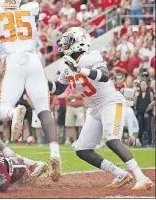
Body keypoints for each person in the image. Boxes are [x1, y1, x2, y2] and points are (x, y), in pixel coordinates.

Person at [0, 0, 61, 182]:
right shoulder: (30, 8)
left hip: (12, 60)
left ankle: (14, 112)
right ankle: (55, 152)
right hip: (34, 60)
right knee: (44, 109)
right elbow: (30, 11)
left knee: (3, 110)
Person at [48, 27, 154, 190]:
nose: (64, 46)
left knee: (112, 140)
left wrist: (80, 70)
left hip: (110, 102)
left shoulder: (91, 56)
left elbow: (104, 75)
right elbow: (59, 89)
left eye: (68, 42)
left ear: (79, 42)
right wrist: (41, 81)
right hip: (94, 108)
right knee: (82, 149)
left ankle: (142, 177)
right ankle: (119, 173)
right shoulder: (66, 65)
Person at [134, 80, 154, 146]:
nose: (143, 86)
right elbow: (134, 104)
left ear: (147, 85)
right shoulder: (138, 94)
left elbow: (152, 103)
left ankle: (149, 142)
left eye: (144, 84)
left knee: (148, 127)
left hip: (148, 113)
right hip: (140, 113)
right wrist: (135, 97)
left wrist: (150, 110)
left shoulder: (150, 93)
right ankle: (139, 141)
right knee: (140, 126)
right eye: (142, 84)